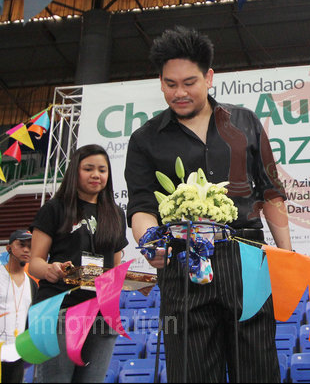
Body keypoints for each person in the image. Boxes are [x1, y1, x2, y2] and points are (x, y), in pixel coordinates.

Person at [125, 26, 292, 383]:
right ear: (160, 82)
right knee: (191, 372)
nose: (180, 93)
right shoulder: (144, 139)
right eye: (170, 84)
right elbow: (141, 205)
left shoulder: (245, 122)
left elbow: (271, 192)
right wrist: (150, 240)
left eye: (189, 82)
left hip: (247, 258)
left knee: (258, 371)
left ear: (209, 77)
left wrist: (286, 256)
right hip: (181, 263)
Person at [29, 144, 128, 383]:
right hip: (59, 310)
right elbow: (34, 263)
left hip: (102, 315)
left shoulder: (116, 214)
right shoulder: (54, 208)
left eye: (102, 170)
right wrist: (50, 270)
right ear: (75, 171)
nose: (96, 175)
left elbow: (114, 268)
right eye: (88, 169)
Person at [1, 229, 36, 383]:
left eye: (30, 246)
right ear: (9, 248)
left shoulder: (32, 284)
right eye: (21, 245)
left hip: (16, 354)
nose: (26, 250)